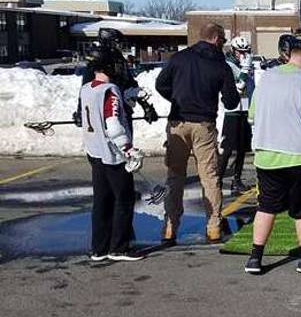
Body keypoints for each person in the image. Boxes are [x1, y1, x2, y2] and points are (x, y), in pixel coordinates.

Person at [244, 28, 301, 275]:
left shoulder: (267, 79)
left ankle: (255, 258)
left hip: (266, 157)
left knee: (266, 206)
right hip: (300, 157)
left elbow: (252, 117)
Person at [155, 23, 240, 245]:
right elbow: (231, 101)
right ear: (215, 39)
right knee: (209, 177)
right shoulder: (220, 64)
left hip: (177, 122)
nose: (223, 45)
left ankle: (170, 228)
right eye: (222, 40)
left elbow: (160, 84)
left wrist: (177, 97)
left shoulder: (180, 58)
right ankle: (213, 227)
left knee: (175, 177)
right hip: (204, 124)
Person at [79, 49, 145, 262]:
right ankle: (119, 247)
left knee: (102, 200)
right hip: (112, 154)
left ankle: (99, 248)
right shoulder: (110, 90)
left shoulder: (86, 88)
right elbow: (113, 123)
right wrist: (127, 149)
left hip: (94, 151)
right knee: (124, 199)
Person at [73, 28, 159, 132]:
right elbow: (86, 88)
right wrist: (81, 111)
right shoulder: (97, 59)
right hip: (103, 111)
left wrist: (146, 106)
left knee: (125, 143)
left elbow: (130, 84)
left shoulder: (119, 59)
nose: (119, 46)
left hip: (123, 109)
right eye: (116, 42)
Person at [218, 35, 255, 195]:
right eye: (241, 52)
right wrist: (245, 71)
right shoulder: (227, 65)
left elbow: (250, 87)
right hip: (232, 110)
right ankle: (217, 180)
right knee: (227, 149)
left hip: (245, 109)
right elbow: (238, 87)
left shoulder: (247, 64)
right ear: (234, 51)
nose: (244, 55)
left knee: (242, 148)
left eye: (246, 52)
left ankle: (237, 179)